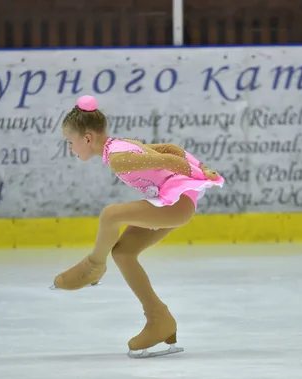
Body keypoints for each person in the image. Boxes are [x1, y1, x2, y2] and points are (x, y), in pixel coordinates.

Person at [51, 95, 225, 358]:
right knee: (123, 253)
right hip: (171, 200)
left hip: (175, 203)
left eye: (70, 142)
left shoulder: (119, 157)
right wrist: (202, 167)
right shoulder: (118, 146)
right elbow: (169, 148)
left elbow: (171, 161)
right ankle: (160, 320)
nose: (70, 149)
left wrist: (201, 173)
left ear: (87, 138)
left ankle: (92, 268)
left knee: (111, 215)